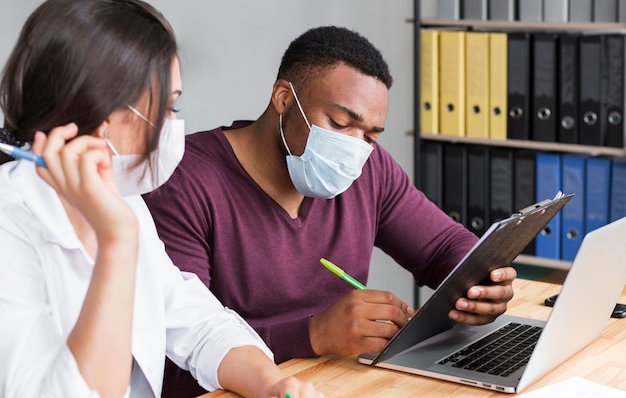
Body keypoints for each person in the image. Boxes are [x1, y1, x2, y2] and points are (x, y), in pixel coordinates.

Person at [143, 26, 517, 397]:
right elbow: (174, 357)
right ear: (284, 98)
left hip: (344, 384)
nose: (354, 149)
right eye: (339, 124)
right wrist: (313, 334)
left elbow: (441, 247)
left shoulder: (369, 169)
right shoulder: (181, 183)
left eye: (370, 136)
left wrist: (479, 281)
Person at [0, 0, 323, 398]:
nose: (174, 125)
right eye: (167, 108)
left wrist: (274, 384)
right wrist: (116, 243)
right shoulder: (10, 225)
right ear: (104, 119)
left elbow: (198, 322)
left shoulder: (121, 197)